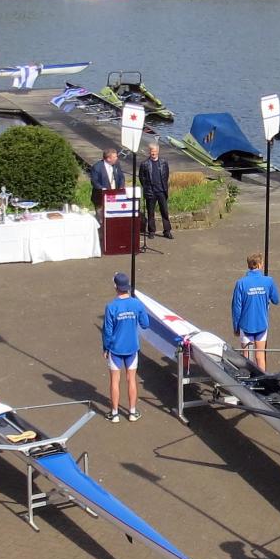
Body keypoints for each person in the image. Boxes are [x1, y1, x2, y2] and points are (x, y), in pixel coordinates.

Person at [100, 272, 148, 422]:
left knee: (115, 380)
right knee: (131, 379)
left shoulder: (111, 307)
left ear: (115, 286)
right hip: (132, 348)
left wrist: (105, 348)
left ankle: (114, 413)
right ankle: (132, 412)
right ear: (127, 287)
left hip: (115, 349)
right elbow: (145, 324)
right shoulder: (136, 304)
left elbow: (107, 331)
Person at [231, 253, 280, 371]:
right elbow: (276, 300)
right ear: (259, 264)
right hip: (261, 324)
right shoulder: (268, 281)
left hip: (246, 325)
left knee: (246, 357)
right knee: (260, 356)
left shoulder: (241, 283)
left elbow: (236, 307)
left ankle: (246, 382)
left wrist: (236, 327)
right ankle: (262, 381)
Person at [139, 143, 173, 239]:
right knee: (150, 213)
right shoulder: (144, 164)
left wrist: (164, 186)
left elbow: (166, 175)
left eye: (154, 151)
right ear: (149, 152)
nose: (153, 153)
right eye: (151, 151)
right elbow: (142, 177)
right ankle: (151, 231)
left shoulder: (163, 162)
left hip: (161, 191)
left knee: (165, 212)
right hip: (150, 192)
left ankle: (167, 231)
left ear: (158, 151)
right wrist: (147, 187)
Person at [89, 147, 122, 215]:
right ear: (108, 159)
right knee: (102, 218)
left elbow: (121, 177)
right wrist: (104, 190)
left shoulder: (116, 164)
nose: (117, 158)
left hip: (114, 197)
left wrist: (121, 187)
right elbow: (94, 182)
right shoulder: (97, 167)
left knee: (113, 216)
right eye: (115, 157)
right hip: (101, 198)